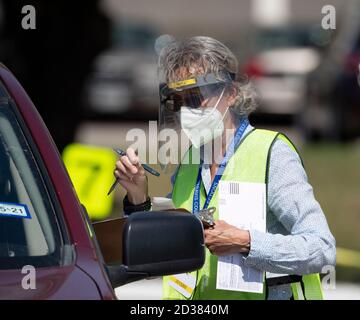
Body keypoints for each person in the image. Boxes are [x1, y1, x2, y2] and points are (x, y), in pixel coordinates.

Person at [114, 36, 336, 300]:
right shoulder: (190, 162)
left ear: (230, 94)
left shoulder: (271, 153)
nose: (186, 110)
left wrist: (245, 242)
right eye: (177, 101)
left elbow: (322, 248)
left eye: (195, 98)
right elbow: (169, 246)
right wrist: (138, 197)